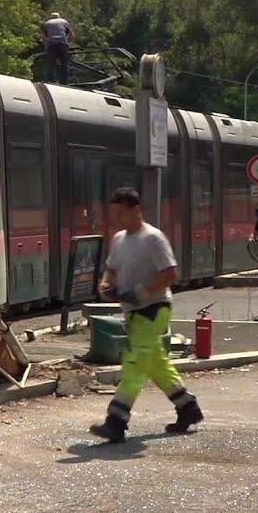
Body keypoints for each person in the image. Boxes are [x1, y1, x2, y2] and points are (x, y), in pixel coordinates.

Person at [89, 187, 204, 443]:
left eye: (122, 213)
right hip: (134, 312)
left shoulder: (153, 238)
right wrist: (105, 285)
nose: (118, 218)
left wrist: (142, 291)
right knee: (156, 364)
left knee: (134, 362)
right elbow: (111, 269)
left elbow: (171, 274)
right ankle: (188, 409)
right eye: (115, 213)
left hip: (154, 309)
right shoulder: (119, 239)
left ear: (136, 210)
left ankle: (116, 421)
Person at [40, 12, 75, 85]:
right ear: (59, 17)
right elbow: (71, 36)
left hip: (52, 44)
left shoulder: (47, 23)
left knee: (51, 63)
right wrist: (67, 43)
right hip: (63, 44)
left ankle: (52, 81)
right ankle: (64, 82)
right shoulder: (64, 22)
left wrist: (46, 46)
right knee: (64, 64)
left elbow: (44, 38)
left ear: (51, 17)